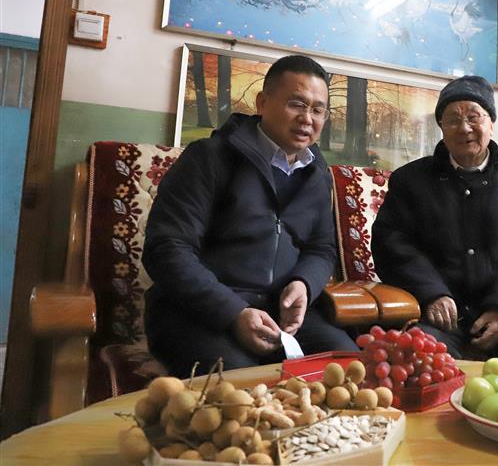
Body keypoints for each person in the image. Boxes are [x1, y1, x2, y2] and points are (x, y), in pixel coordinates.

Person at [144, 55, 357, 377]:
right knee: (243, 389)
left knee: (351, 374)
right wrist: (234, 313)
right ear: (262, 103)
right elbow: (166, 249)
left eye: (318, 110)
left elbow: (321, 249)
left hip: (280, 313)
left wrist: (304, 284)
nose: (307, 119)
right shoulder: (208, 157)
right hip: (200, 312)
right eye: (296, 104)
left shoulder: (317, 173)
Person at [372, 75, 498, 364]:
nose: (465, 128)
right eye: (453, 120)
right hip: (437, 317)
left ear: (491, 123)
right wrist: (432, 293)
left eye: (474, 117)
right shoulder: (410, 181)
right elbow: (390, 243)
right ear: (441, 128)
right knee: (415, 363)